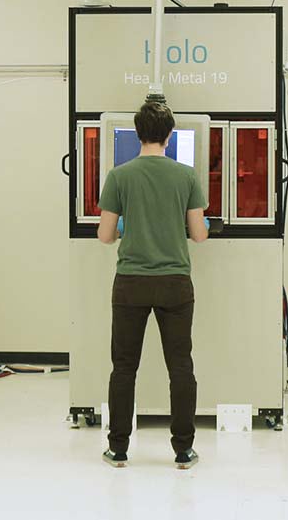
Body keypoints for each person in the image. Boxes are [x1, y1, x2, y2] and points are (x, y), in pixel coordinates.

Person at [96, 102, 209, 469]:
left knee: (124, 367)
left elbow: (104, 236)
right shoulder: (186, 176)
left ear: (137, 133)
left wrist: (131, 227)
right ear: (170, 135)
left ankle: (118, 449)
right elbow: (199, 234)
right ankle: (183, 450)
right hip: (175, 283)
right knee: (180, 366)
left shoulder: (119, 176)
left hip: (130, 283)